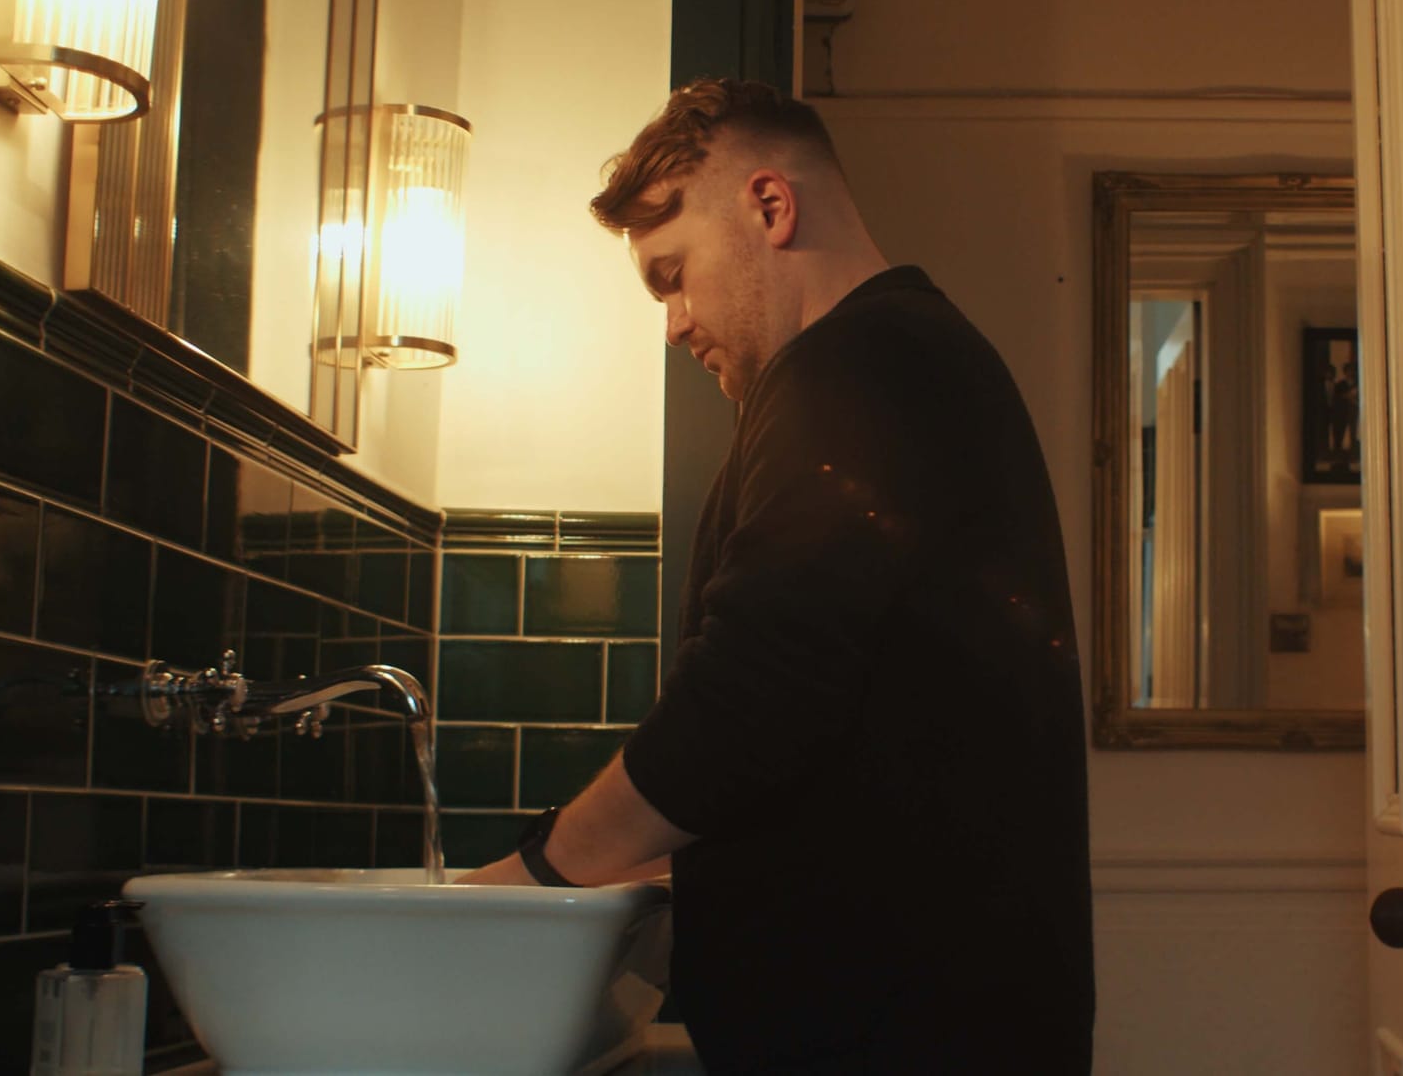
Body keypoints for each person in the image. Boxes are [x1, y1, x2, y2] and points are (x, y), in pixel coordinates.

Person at [460, 78, 1096, 1074]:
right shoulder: (913, 361)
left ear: (769, 206)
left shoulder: (852, 365)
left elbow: (756, 690)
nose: (671, 323)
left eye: (672, 274)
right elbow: (861, 739)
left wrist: (539, 874)